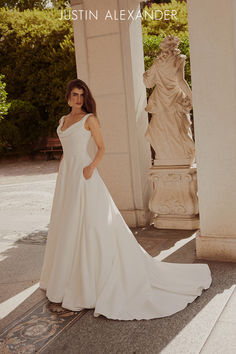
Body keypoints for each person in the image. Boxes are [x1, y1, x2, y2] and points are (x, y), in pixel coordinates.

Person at [39, 79, 212, 321]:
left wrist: (90, 167)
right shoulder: (62, 120)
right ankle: (64, 276)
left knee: (90, 226)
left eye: (81, 95)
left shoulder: (90, 120)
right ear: (68, 97)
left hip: (84, 174)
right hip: (67, 175)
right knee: (66, 223)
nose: (78, 99)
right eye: (74, 95)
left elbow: (101, 148)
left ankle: (88, 280)